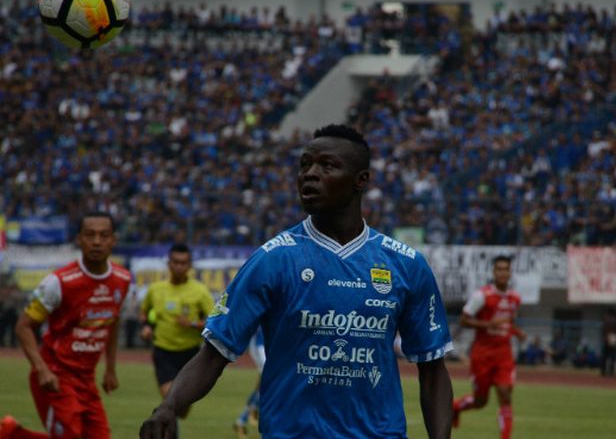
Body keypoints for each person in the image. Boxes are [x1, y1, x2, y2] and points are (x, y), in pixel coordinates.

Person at [139, 124, 454, 439]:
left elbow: (432, 370)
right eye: (305, 165)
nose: (310, 174)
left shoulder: (405, 264)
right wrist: (169, 406)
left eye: (327, 166)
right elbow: (213, 354)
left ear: (361, 180)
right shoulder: (272, 259)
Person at [0, 212, 131, 439]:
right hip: (56, 376)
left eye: (104, 235)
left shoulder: (123, 279)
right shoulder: (59, 282)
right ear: (79, 239)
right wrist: (42, 370)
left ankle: (12, 434)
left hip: (87, 380)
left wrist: (110, 368)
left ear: (114, 240)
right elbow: (23, 326)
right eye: (90, 235)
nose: (97, 241)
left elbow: (114, 320)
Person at [452, 255, 526, 439]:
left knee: (504, 393)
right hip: (482, 354)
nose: (502, 272)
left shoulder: (515, 298)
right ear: (494, 272)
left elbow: (507, 323)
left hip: (504, 354)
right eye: (499, 269)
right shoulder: (482, 296)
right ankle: (456, 406)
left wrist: (517, 333)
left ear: (510, 272)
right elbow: (463, 320)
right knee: (480, 402)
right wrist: (487, 325)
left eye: (506, 269)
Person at [139, 243, 214, 426]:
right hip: (163, 352)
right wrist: (146, 326)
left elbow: (214, 322)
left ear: (189, 265)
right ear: (169, 263)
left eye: (183, 263)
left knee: (182, 410)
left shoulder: (200, 291)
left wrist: (193, 324)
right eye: (175, 262)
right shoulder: (156, 289)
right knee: (171, 403)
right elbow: (144, 312)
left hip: (190, 355)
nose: (179, 266)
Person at [233, 327, 266, 439]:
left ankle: (242, 420)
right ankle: (248, 414)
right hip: (259, 345)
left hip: (266, 345)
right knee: (269, 384)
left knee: (262, 386)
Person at [600, 309, 616, 376]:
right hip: (612, 338)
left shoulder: (606, 319)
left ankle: (603, 371)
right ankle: (611, 371)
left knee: (605, 356)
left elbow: (603, 330)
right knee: (612, 356)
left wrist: (604, 338)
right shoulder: (615, 320)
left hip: (606, 338)